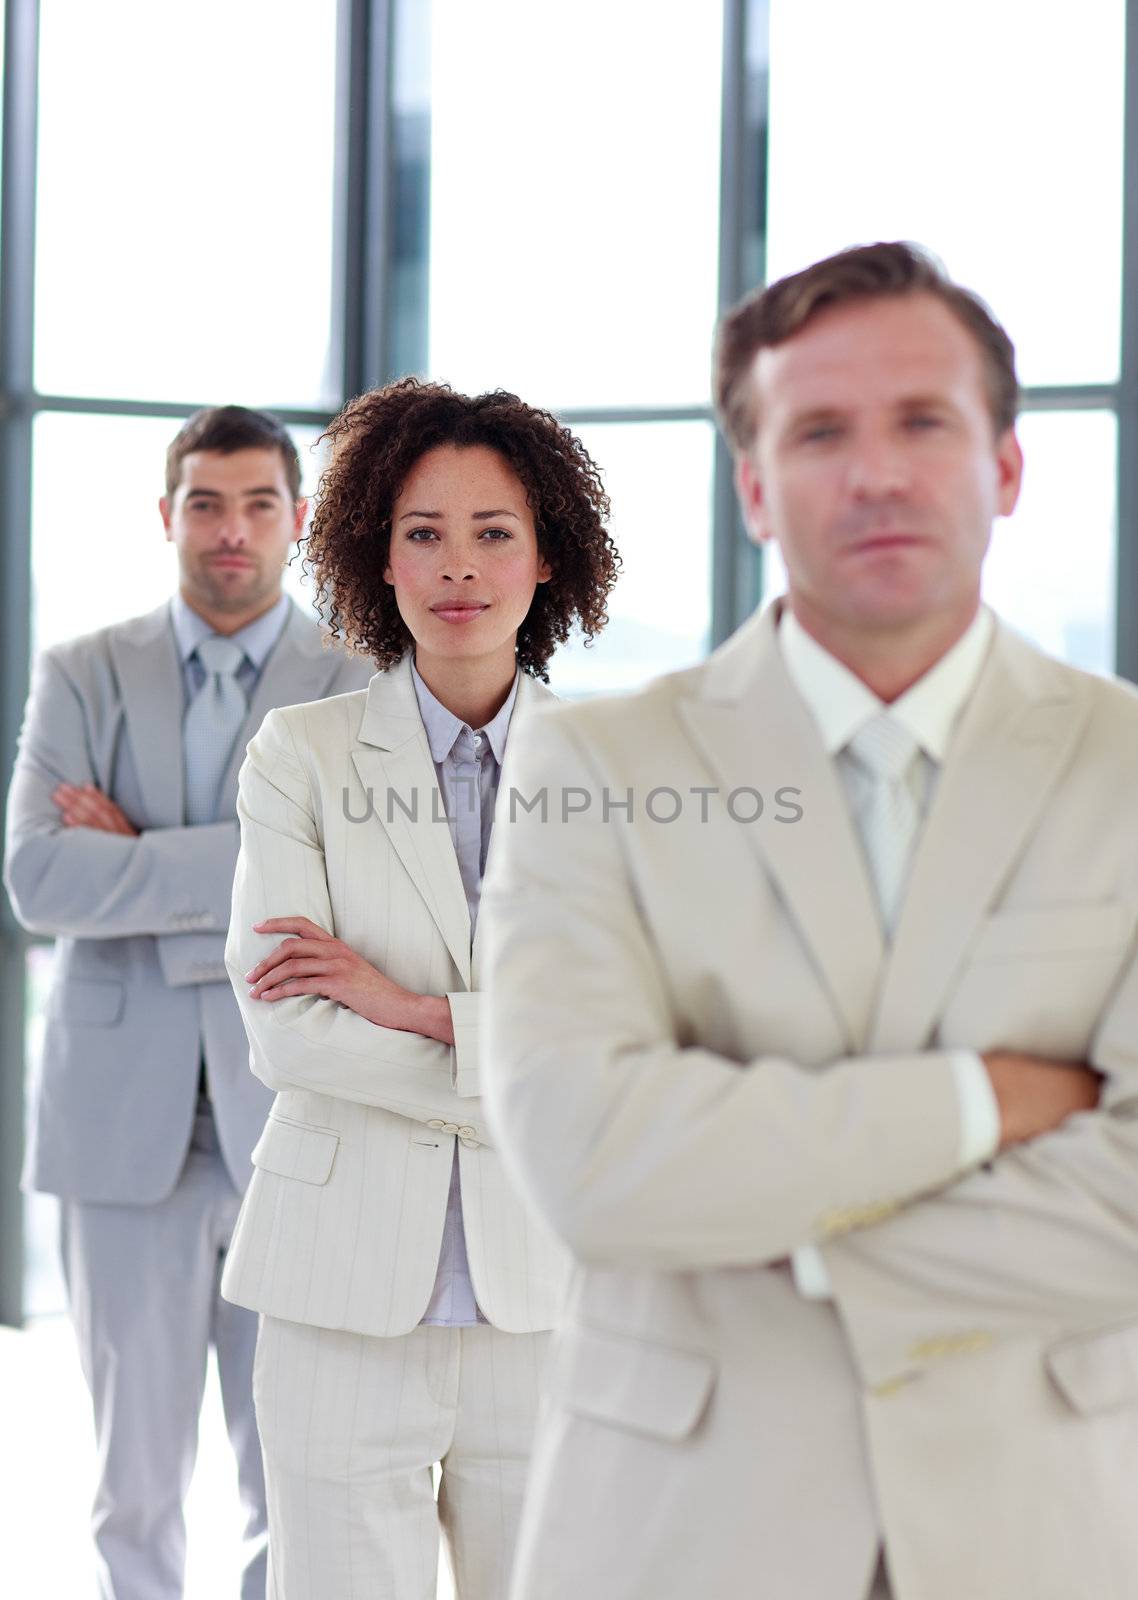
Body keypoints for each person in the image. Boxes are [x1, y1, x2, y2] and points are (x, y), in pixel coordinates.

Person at [480, 242, 1138, 1600]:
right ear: (754, 486)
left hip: (1041, 1530)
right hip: (680, 1533)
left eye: (922, 423)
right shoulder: (595, 764)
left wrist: (760, 1206)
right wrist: (982, 1102)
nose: (877, 471)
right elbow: (591, 1166)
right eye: (820, 430)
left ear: (1005, 468)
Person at [219, 378, 619, 1600]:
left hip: (549, 1298)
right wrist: (512, 1053)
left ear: (547, 557)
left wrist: (411, 1008)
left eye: (494, 532)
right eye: (423, 532)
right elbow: (289, 1032)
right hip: (337, 1297)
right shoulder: (304, 752)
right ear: (373, 557)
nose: (460, 566)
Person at [4, 405, 373, 1600]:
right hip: (120, 1133)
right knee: (135, 1484)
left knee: (295, 1475)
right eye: (206, 503)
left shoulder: (359, 683)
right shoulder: (84, 670)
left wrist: (145, 861)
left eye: (259, 503)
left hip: (302, 1130)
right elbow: (40, 877)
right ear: (168, 516)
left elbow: (364, 898)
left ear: (299, 521)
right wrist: (259, 869)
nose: (232, 530)